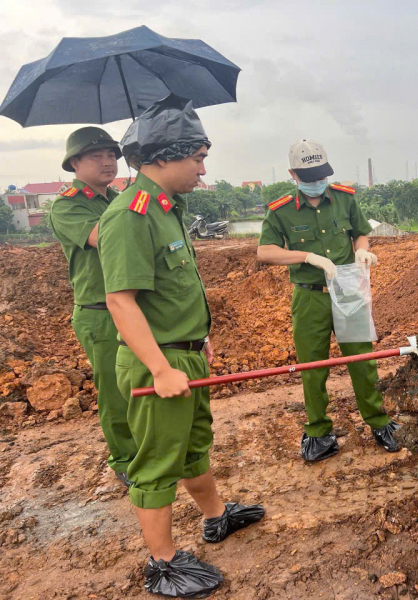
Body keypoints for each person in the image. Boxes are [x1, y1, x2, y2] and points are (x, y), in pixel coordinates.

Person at [98, 95, 264, 598]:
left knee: (193, 444)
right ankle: (163, 563)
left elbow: (172, 291)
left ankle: (216, 516)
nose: (203, 169)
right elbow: (120, 301)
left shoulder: (167, 209)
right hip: (158, 360)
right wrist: (159, 367)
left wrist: (198, 339)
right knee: (157, 461)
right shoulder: (131, 215)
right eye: (197, 158)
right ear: (164, 157)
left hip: (183, 352)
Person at [256, 139, 399, 462]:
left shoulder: (344, 198)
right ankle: (318, 432)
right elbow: (264, 251)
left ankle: (379, 422)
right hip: (310, 297)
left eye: (321, 175)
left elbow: (360, 232)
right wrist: (307, 256)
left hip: (349, 290)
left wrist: (361, 250)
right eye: (309, 177)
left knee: (362, 360)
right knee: (313, 367)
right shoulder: (281, 210)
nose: (317, 182)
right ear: (293, 174)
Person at [49, 127, 137, 488]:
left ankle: (148, 449)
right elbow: (105, 237)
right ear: (75, 163)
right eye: (96, 156)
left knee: (139, 383)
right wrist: (137, 208)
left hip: (131, 306)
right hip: (100, 312)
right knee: (115, 391)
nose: (107, 162)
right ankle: (125, 459)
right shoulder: (68, 204)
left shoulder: (118, 197)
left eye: (112, 155)